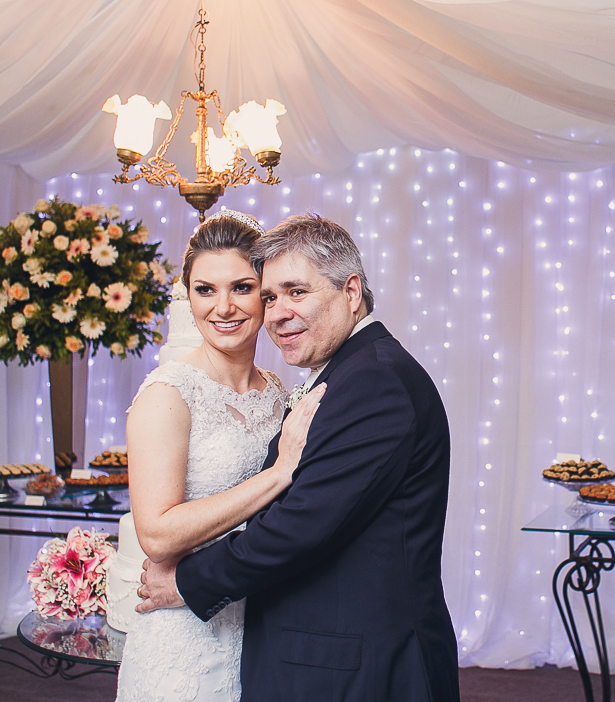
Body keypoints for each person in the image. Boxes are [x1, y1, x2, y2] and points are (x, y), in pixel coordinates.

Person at [137, 213, 460, 702]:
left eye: (297, 292)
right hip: (312, 652)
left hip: (359, 665)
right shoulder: (345, 372)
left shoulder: (373, 381)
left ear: (351, 293)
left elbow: (301, 525)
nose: (277, 313)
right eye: (269, 296)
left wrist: (185, 582)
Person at [116, 210, 325, 702]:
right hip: (183, 639)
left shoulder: (277, 392)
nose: (223, 307)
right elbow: (157, 535)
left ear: (266, 295)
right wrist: (277, 476)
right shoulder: (167, 396)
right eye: (205, 290)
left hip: (260, 627)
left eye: (241, 287)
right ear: (188, 298)